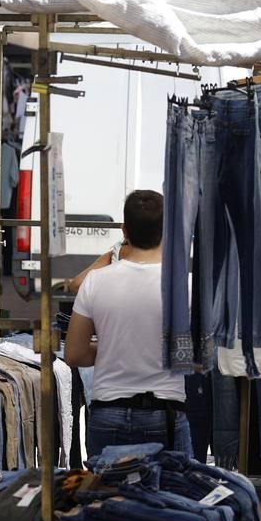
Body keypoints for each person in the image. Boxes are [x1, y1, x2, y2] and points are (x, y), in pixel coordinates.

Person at [64, 190, 193, 456]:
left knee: (108, 496)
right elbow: (199, 361)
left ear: (124, 230)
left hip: (107, 415)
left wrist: (111, 348)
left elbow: (74, 354)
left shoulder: (95, 283)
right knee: (169, 495)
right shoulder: (185, 286)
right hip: (164, 414)